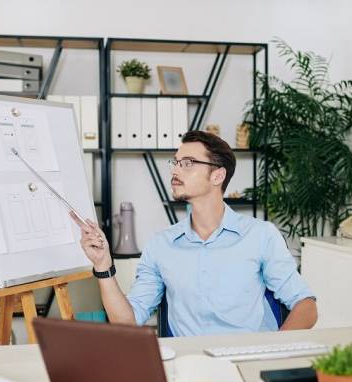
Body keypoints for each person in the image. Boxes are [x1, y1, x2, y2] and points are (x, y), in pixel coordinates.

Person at [73, 130, 317, 336]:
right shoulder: (161, 245)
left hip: (247, 358)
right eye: (176, 162)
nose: (175, 171)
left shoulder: (260, 236)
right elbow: (126, 321)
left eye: (187, 163)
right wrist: (103, 265)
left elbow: (306, 306)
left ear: (217, 175)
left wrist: (270, 351)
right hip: (189, 363)